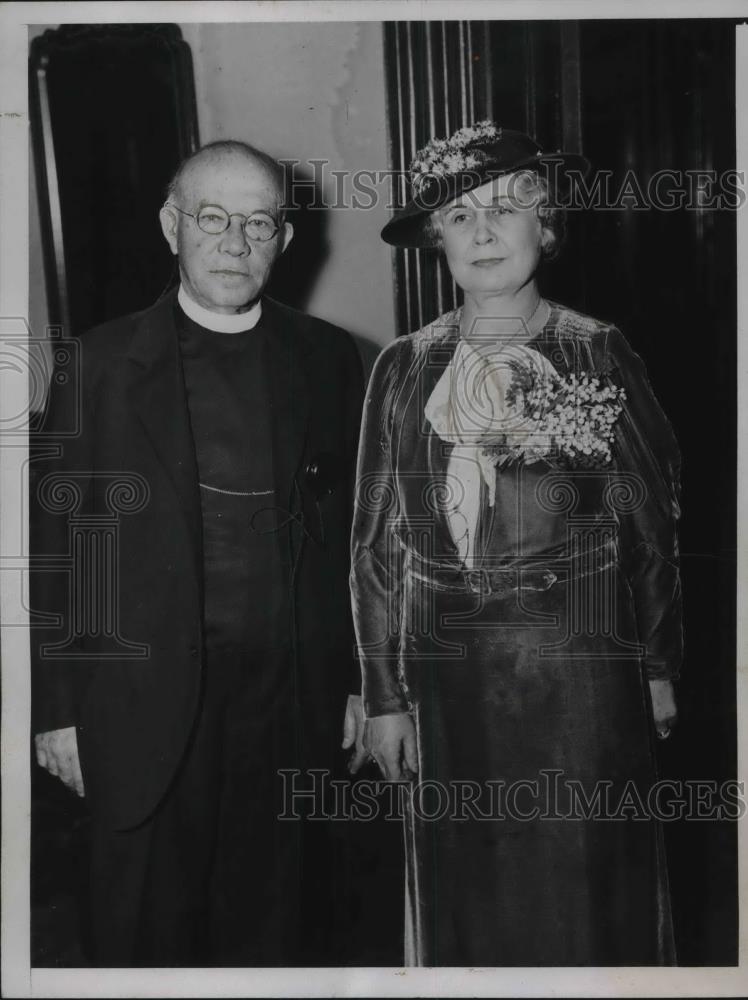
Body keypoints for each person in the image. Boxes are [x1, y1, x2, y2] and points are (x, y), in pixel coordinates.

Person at [350, 123, 682, 966]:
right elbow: (376, 544)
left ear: (548, 228)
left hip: (578, 681)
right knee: (467, 897)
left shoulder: (595, 350)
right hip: (446, 684)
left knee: (582, 895)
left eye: (507, 210)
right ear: (438, 243)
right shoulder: (402, 365)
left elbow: (651, 528)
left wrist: (657, 668)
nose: (486, 231)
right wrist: (383, 694)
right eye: (461, 217)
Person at [31, 139, 366, 966]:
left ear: (285, 241)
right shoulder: (98, 365)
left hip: (287, 708)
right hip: (140, 710)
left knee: (278, 932)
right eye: (212, 218)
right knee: (145, 935)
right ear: (171, 226)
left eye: (258, 222)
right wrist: (56, 713)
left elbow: (355, 543)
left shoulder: (328, 358)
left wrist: (360, 685)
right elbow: (55, 550)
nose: (235, 242)